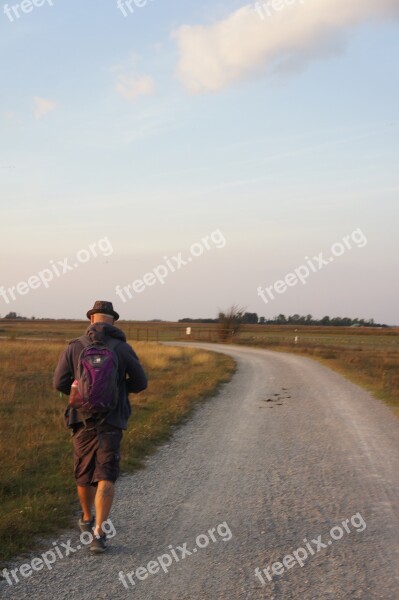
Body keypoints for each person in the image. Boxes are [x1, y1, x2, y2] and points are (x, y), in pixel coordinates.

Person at [53, 300, 147, 553]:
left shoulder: (74, 346)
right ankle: (99, 534)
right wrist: (119, 389)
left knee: (84, 470)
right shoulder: (122, 348)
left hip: (80, 419)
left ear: (91, 320)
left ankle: (86, 518)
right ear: (113, 321)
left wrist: (78, 393)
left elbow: (59, 382)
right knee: (106, 473)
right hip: (112, 419)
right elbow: (141, 383)